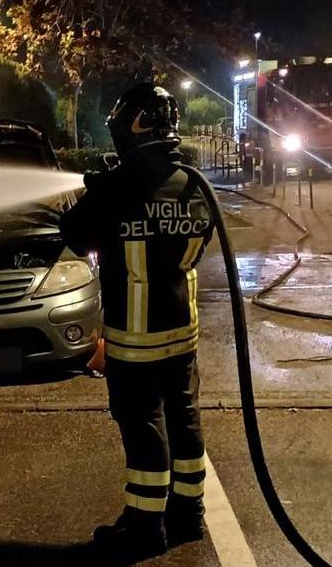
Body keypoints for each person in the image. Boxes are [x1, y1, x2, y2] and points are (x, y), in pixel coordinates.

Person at [60, 84, 213, 562]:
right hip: (182, 334)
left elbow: (74, 236)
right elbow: (200, 241)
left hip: (135, 341)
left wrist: (93, 191)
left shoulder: (116, 189)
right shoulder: (193, 183)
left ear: (131, 127)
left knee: (143, 425)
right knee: (184, 419)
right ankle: (188, 514)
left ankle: (146, 528)